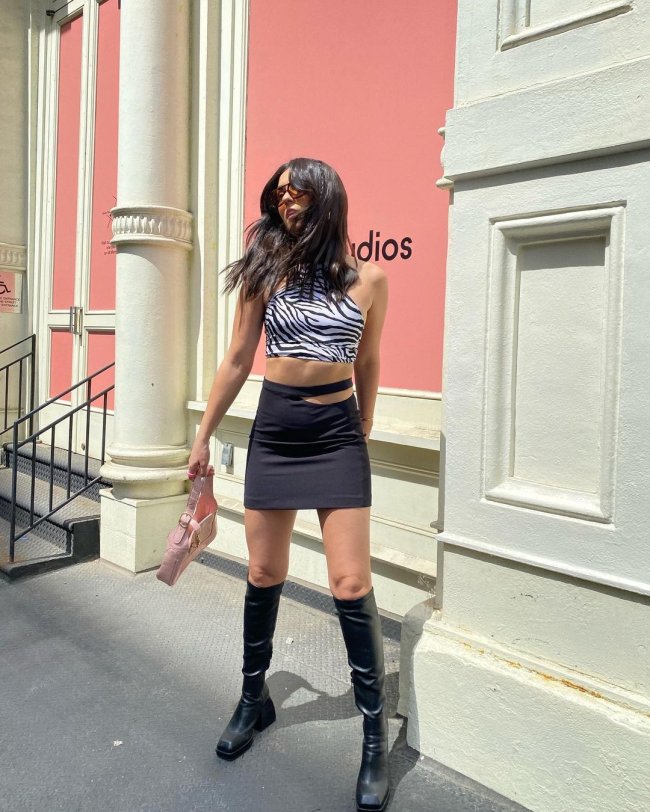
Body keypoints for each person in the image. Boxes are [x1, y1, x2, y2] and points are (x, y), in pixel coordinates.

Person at [188, 157, 389, 812]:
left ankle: (372, 732)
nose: (287, 202)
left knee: (349, 583)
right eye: (279, 194)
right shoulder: (264, 272)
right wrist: (201, 434)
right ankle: (254, 699)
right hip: (276, 430)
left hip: (335, 434)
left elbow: (369, 359)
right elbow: (239, 357)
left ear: (327, 198)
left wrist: (362, 423)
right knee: (265, 570)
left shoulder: (370, 281)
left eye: (299, 192)